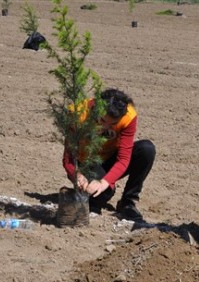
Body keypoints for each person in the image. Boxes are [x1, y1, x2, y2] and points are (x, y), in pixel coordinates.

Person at [62, 88, 156, 222]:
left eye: (112, 124)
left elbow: (124, 158)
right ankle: (91, 198)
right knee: (103, 194)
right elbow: (68, 158)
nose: (105, 127)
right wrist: (76, 174)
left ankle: (128, 202)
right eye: (102, 120)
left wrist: (105, 182)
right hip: (87, 162)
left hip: (110, 157)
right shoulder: (78, 113)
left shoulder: (128, 116)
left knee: (146, 149)